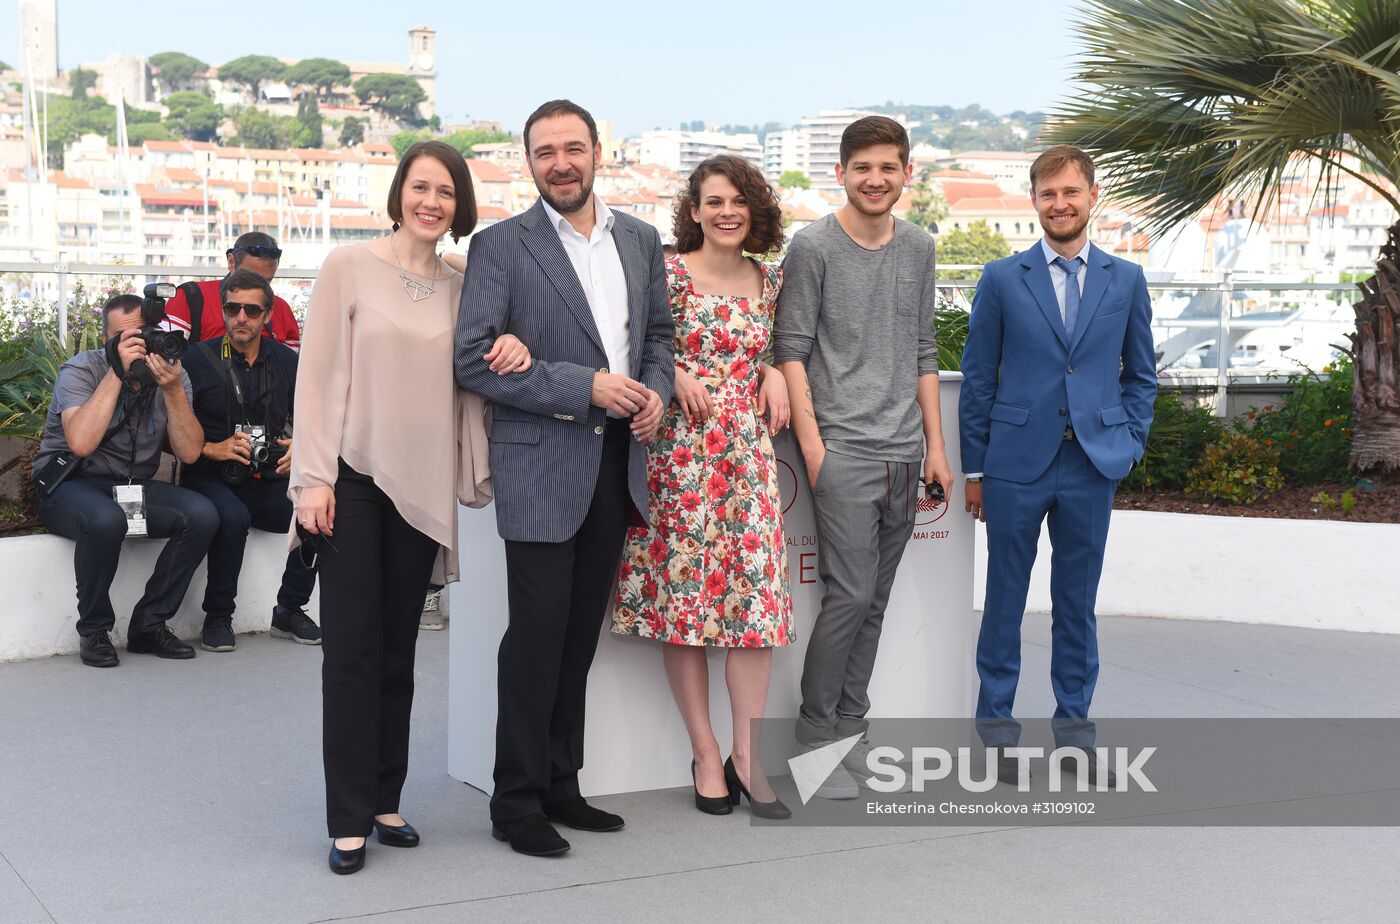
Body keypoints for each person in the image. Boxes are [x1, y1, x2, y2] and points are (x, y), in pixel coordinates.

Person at [292, 140, 525, 875]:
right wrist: (313, 478)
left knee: (399, 651)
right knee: (350, 654)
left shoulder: (463, 288)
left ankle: (385, 797)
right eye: (421, 187)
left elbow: (479, 371)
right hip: (354, 481)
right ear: (399, 193)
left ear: (461, 206)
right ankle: (346, 816)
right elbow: (319, 374)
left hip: (421, 491)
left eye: (447, 192)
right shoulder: (348, 267)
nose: (432, 201)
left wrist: (511, 344)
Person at [454, 99, 675, 858]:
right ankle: (513, 802)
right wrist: (584, 385)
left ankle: (559, 783)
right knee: (536, 639)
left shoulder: (641, 240)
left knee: (579, 637)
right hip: (543, 467)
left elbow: (657, 338)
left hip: (621, 464)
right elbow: (473, 358)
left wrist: (654, 394)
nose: (560, 163)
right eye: (544, 151)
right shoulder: (501, 247)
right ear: (529, 163)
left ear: (597, 152)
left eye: (572, 148)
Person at [959, 144, 1156, 785]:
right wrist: (975, 470)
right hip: (1015, 465)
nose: (1060, 204)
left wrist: (1127, 443)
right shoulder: (1000, 278)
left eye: (1070, 192)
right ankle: (997, 736)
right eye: (1048, 194)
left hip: (1092, 466)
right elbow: (980, 380)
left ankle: (1074, 733)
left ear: (1092, 195)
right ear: (1035, 201)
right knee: (1004, 603)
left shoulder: (1124, 280)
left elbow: (1141, 376)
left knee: (1077, 604)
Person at [773, 115, 953, 799]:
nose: (875, 179)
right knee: (847, 597)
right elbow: (789, 348)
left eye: (889, 167)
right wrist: (815, 450)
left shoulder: (920, 247)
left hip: (905, 451)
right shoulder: (813, 246)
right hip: (842, 451)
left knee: (873, 601)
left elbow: (925, 351)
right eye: (862, 167)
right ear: (841, 173)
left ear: (907, 173)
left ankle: (852, 729)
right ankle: (815, 739)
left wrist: (937, 447)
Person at [611, 155, 794, 819]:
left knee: (754, 613)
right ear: (693, 211)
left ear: (754, 210)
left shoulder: (769, 282)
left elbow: (778, 350)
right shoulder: (666, 276)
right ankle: (705, 751)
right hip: (677, 460)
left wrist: (772, 370)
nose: (726, 212)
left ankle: (750, 754)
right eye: (713, 201)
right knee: (683, 610)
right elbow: (627, 342)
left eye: (738, 201)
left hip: (745, 459)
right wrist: (671, 372)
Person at [34, 293, 218, 667]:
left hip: (128, 488)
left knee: (202, 514)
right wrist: (116, 372)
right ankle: (95, 630)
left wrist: (172, 390)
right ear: (107, 339)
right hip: (69, 486)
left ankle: (149, 624)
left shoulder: (171, 373)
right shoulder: (82, 370)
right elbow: (82, 442)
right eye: (123, 338)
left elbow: (189, 452)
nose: (135, 345)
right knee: (105, 520)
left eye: (143, 335)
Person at [181, 268, 320, 653]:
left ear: (268, 314)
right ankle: (219, 616)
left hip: (268, 474)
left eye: (251, 310)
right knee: (233, 515)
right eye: (232, 308)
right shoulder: (196, 358)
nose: (241, 318)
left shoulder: (287, 361)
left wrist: (301, 446)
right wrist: (213, 448)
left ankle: (290, 609)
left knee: (321, 507)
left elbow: (316, 416)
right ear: (223, 310)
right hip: (211, 474)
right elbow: (168, 428)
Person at [165, 231, 302, 347]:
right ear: (231, 262)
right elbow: (165, 359)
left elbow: (291, 373)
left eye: (266, 282)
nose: (257, 288)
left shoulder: (282, 310)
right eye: (249, 279)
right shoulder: (190, 298)